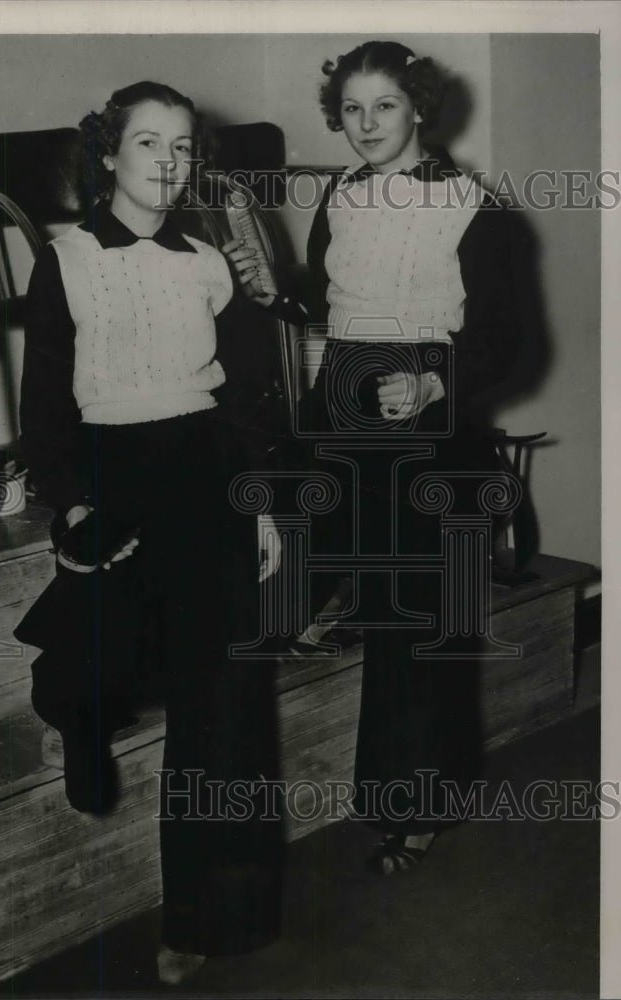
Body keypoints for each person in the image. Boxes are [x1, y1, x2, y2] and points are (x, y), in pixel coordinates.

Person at [226, 41, 522, 874]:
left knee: (417, 619)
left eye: (383, 107)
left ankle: (415, 808)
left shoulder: (474, 206)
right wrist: (273, 293)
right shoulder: (344, 195)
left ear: (418, 108)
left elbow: (507, 341)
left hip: (431, 421)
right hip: (343, 403)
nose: (365, 125)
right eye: (351, 110)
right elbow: (330, 299)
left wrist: (433, 384)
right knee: (296, 569)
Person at [14, 82, 282, 983]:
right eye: (147, 144)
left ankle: (202, 918)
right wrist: (73, 500)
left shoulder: (208, 261)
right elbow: (44, 403)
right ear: (110, 155)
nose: (167, 163)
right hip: (110, 471)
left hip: (204, 470)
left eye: (182, 147)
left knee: (222, 708)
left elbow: (243, 403)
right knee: (87, 661)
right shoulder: (65, 260)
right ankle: (80, 721)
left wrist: (261, 501)